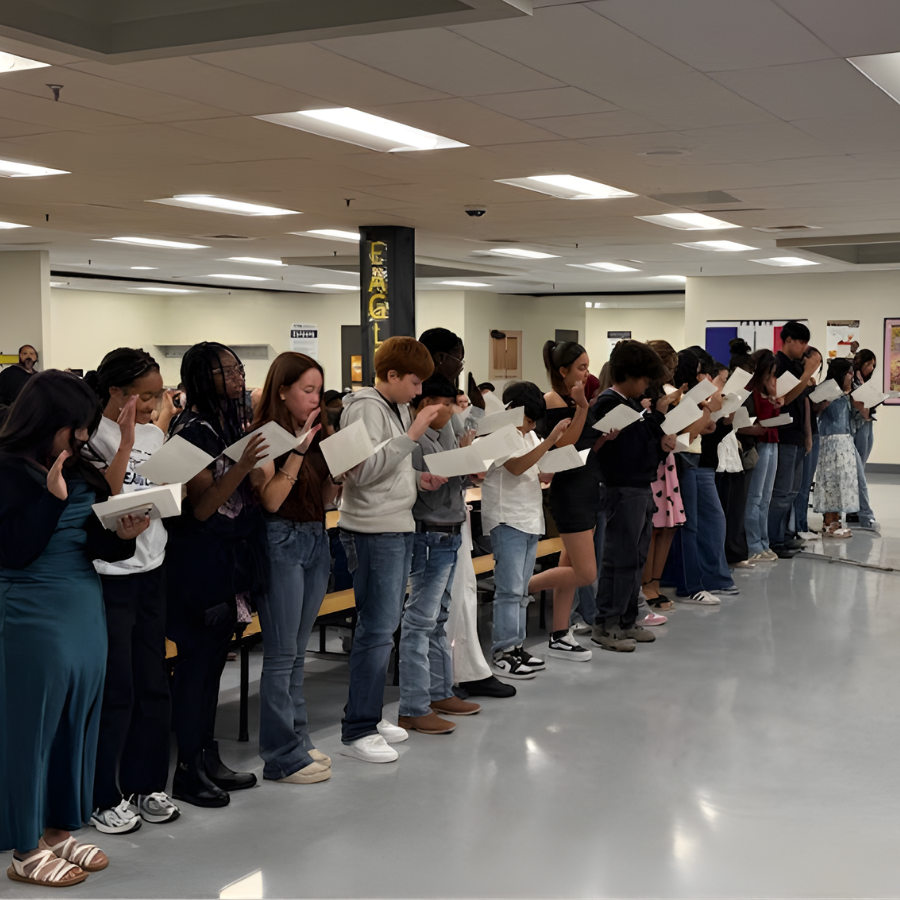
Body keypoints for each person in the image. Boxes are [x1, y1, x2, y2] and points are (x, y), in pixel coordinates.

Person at [1, 371, 149, 887]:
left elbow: (96, 544)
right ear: (48, 423)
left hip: (83, 602)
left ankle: (57, 829)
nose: (84, 437)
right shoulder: (6, 469)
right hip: (31, 607)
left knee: (74, 719)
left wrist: (125, 535)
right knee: (30, 727)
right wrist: (51, 499)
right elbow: (14, 551)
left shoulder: (80, 464)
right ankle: (23, 846)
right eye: (76, 428)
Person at [165, 342, 268, 808]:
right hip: (198, 565)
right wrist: (243, 466)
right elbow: (203, 507)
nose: (236, 377)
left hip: (230, 560)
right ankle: (188, 769)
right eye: (224, 371)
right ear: (200, 378)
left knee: (211, 671)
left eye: (237, 368)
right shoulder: (190, 430)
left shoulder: (229, 422)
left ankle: (208, 757)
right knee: (195, 671)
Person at [81, 349, 179, 835]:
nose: (152, 404)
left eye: (157, 394)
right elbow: (106, 497)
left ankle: (147, 785)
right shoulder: (89, 437)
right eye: (143, 396)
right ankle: (104, 795)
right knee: (116, 688)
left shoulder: (156, 434)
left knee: (153, 682)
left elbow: (158, 491)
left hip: (152, 568)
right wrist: (122, 442)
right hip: (109, 575)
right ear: (116, 393)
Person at [337, 336, 446, 764]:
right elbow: (361, 473)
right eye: (414, 382)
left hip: (396, 525)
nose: (419, 392)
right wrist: (414, 433)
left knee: (385, 630)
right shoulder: (363, 407)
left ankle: (369, 714)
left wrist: (418, 479)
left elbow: (388, 467)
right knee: (376, 630)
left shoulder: (394, 406)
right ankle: (357, 728)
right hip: (370, 530)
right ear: (392, 375)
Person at [250, 352, 336, 785]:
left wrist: (340, 476)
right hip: (280, 540)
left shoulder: (315, 434)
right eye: (307, 390)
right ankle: (280, 755)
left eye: (318, 390)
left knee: (298, 654)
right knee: (282, 656)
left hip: (315, 538)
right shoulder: (264, 437)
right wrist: (298, 452)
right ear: (282, 391)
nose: (315, 399)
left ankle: (299, 741)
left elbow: (319, 499)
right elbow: (270, 499)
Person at [416, 327, 513, 700]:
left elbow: (461, 445)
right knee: (446, 601)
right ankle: (454, 677)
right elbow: (438, 455)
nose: (461, 365)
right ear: (442, 359)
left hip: (452, 510)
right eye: (459, 357)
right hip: (433, 517)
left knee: (461, 595)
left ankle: (461, 672)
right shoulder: (428, 407)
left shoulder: (449, 406)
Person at [399, 377, 481, 733]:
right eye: (441, 403)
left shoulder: (446, 434)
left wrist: (467, 458)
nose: (448, 410)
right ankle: (413, 705)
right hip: (428, 533)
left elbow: (461, 483)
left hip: (449, 531)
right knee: (419, 620)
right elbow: (422, 492)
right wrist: (455, 465)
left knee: (439, 616)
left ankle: (438, 690)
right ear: (425, 402)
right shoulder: (415, 441)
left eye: (452, 403)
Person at [591, 342, 676, 651]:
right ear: (628, 375)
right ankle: (606, 623)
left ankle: (627, 620)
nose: (645, 386)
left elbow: (642, 447)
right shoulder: (608, 404)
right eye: (642, 379)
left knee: (636, 558)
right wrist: (655, 421)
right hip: (621, 489)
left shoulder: (633, 407)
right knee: (619, 558)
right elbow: (617, 452)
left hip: (641, 487)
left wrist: (660, 439)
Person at [482, 381, 571, 677]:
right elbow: (516, 467)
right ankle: (503, 651)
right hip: (507, 519)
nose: (530, 425)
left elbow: (537, 469)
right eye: (528, 419)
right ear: (511, 410)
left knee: (521, 591)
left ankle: (516, 646)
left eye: (534, 421)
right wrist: (550, 440)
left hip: (530, 517)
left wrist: (557, 462)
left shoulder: (530, 435)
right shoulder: (500, 434)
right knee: (508, 590)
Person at [526, 341, 603, 664]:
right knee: (586, 573)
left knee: (569, 566)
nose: (587, 373)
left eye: (588, 366)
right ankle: (518, 587)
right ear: (563, 371)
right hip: (568, 492)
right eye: (581, 367)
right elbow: (560, 447)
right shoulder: (553, 400)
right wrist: (582, 407)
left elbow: (583, 445)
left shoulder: (576, 399)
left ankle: (559, 633)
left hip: (587, 486)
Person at [769, 322, 821, 558]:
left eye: (806, 342)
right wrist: (807, 374)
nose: (804, 347)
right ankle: (773, 540)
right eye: (801, 342)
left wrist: (808, 436)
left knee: (792, 491)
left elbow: (804, 404)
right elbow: (785, 399)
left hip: (799, 435)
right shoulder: (777, 365)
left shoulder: (796, 366)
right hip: (784, 435)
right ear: (788, 340)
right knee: (781, 492)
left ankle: (785, 536)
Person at [641, 340, 686, 610]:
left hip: (667, 460)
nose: (672, 371)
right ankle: (646, 585)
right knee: (653, 528)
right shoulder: (644, 390)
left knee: (669, 525)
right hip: (651, 464)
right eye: (670, 365)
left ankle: (656, 582)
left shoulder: (663, 390)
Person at [814, 359, 864, 538]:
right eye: (849, 373)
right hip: (830, 440)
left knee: (844, 480)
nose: (851, 376)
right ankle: (829, 521)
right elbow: (824, 413)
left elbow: (858, 418)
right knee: (831, 480)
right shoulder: (828, 390)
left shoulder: (848, 393)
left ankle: (837, 520)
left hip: (845, 440)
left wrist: (858, 403)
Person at [743, 350, 782, 563]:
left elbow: (774, 417)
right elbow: (757, 418)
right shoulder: (751, 390)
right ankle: (753, 544)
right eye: (770, 372)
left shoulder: (769, 388)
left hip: (773, 441)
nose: (772, 376)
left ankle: (764, 542)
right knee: (755, 496)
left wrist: (774, 397)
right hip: (760, 444)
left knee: (766, 497)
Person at [792, 347, 826, 540]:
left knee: (806, 484)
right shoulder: (800, 382)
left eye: (820, 363)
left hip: (813, 432)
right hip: (806, 435)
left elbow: (812, 411)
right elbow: (805, 411)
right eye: (814, 361)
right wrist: (808, 437)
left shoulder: (811, 383)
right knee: (800, 485)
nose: (817, 366)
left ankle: (803, 523)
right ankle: (798, 526)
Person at [848, 349, 878, 532]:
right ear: (860, 362)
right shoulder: (852, 379)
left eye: (873, 365)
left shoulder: (865, 381)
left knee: (861, 468)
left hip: (868, 424)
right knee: (856, 470)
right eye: (868, 364)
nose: (871, 368)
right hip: (857, 425)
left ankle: (855, 509)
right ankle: (863, 513)